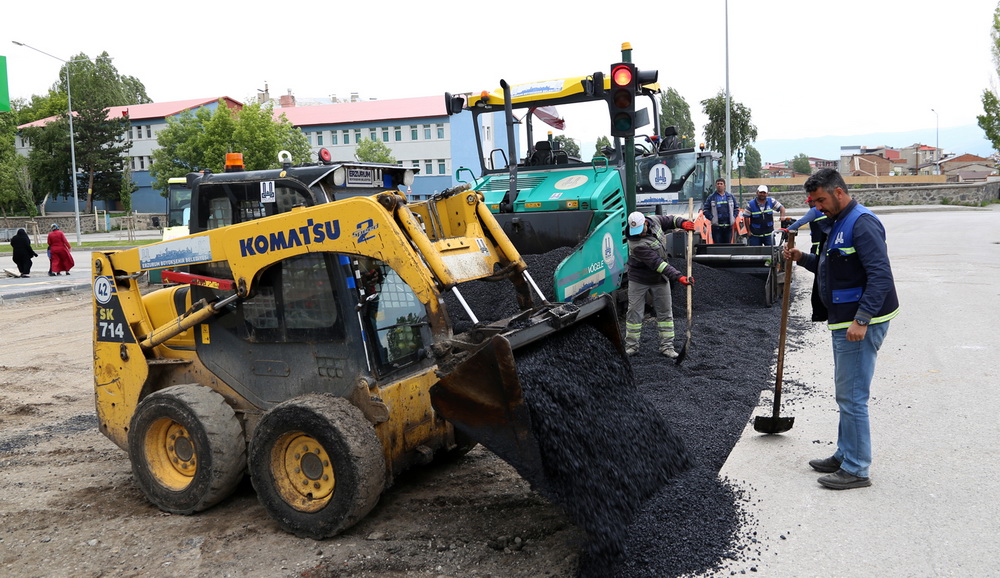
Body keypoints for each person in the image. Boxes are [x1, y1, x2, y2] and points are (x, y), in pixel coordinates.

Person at [783, 168, 899, 490]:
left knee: (852, 397)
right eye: (814, 201)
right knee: (846, 394)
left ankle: (857, 468)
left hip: (860, 323)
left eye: (820, 200)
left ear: (838, 192)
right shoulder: (837, 223)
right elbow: (830, 265)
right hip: (844, 321)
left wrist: (861, 320)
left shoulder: (862, 223)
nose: (817, 207)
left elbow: (881, 276)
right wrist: (801, 257)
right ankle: (844, 454)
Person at [624, 210, 695, 358]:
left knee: (665, 312)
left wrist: (683, 223)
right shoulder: (635, 244)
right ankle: (631, 347)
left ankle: (667, 347)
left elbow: (670, 219)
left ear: (645, 222)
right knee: (634, 314)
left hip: (659, 279)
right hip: (639, 279)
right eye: (635, 231)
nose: (638, 234)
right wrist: (678, 277)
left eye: (640, 229)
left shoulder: (654, 220)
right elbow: (658, 264)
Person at [785, 196, 829, 322]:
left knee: (818, 269)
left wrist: (786, 230)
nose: (808, 204)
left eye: (809, 202)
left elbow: (800, 222)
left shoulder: (814, 211)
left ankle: (820, 293)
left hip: (817, 246)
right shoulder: (826, 210)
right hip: (825, 244)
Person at [702, 178, 739, 244]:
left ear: (724, 185)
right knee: (718, 247)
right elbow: (705, 210)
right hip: (717, 228)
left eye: (721, 184)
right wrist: (712, 218)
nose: (719, 185)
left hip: (728, 227)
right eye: (718, 184)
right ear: (716, 186)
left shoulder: (730, 197)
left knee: (727, 246)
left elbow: (736, 209)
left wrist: (733, 218)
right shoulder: (711, 197)